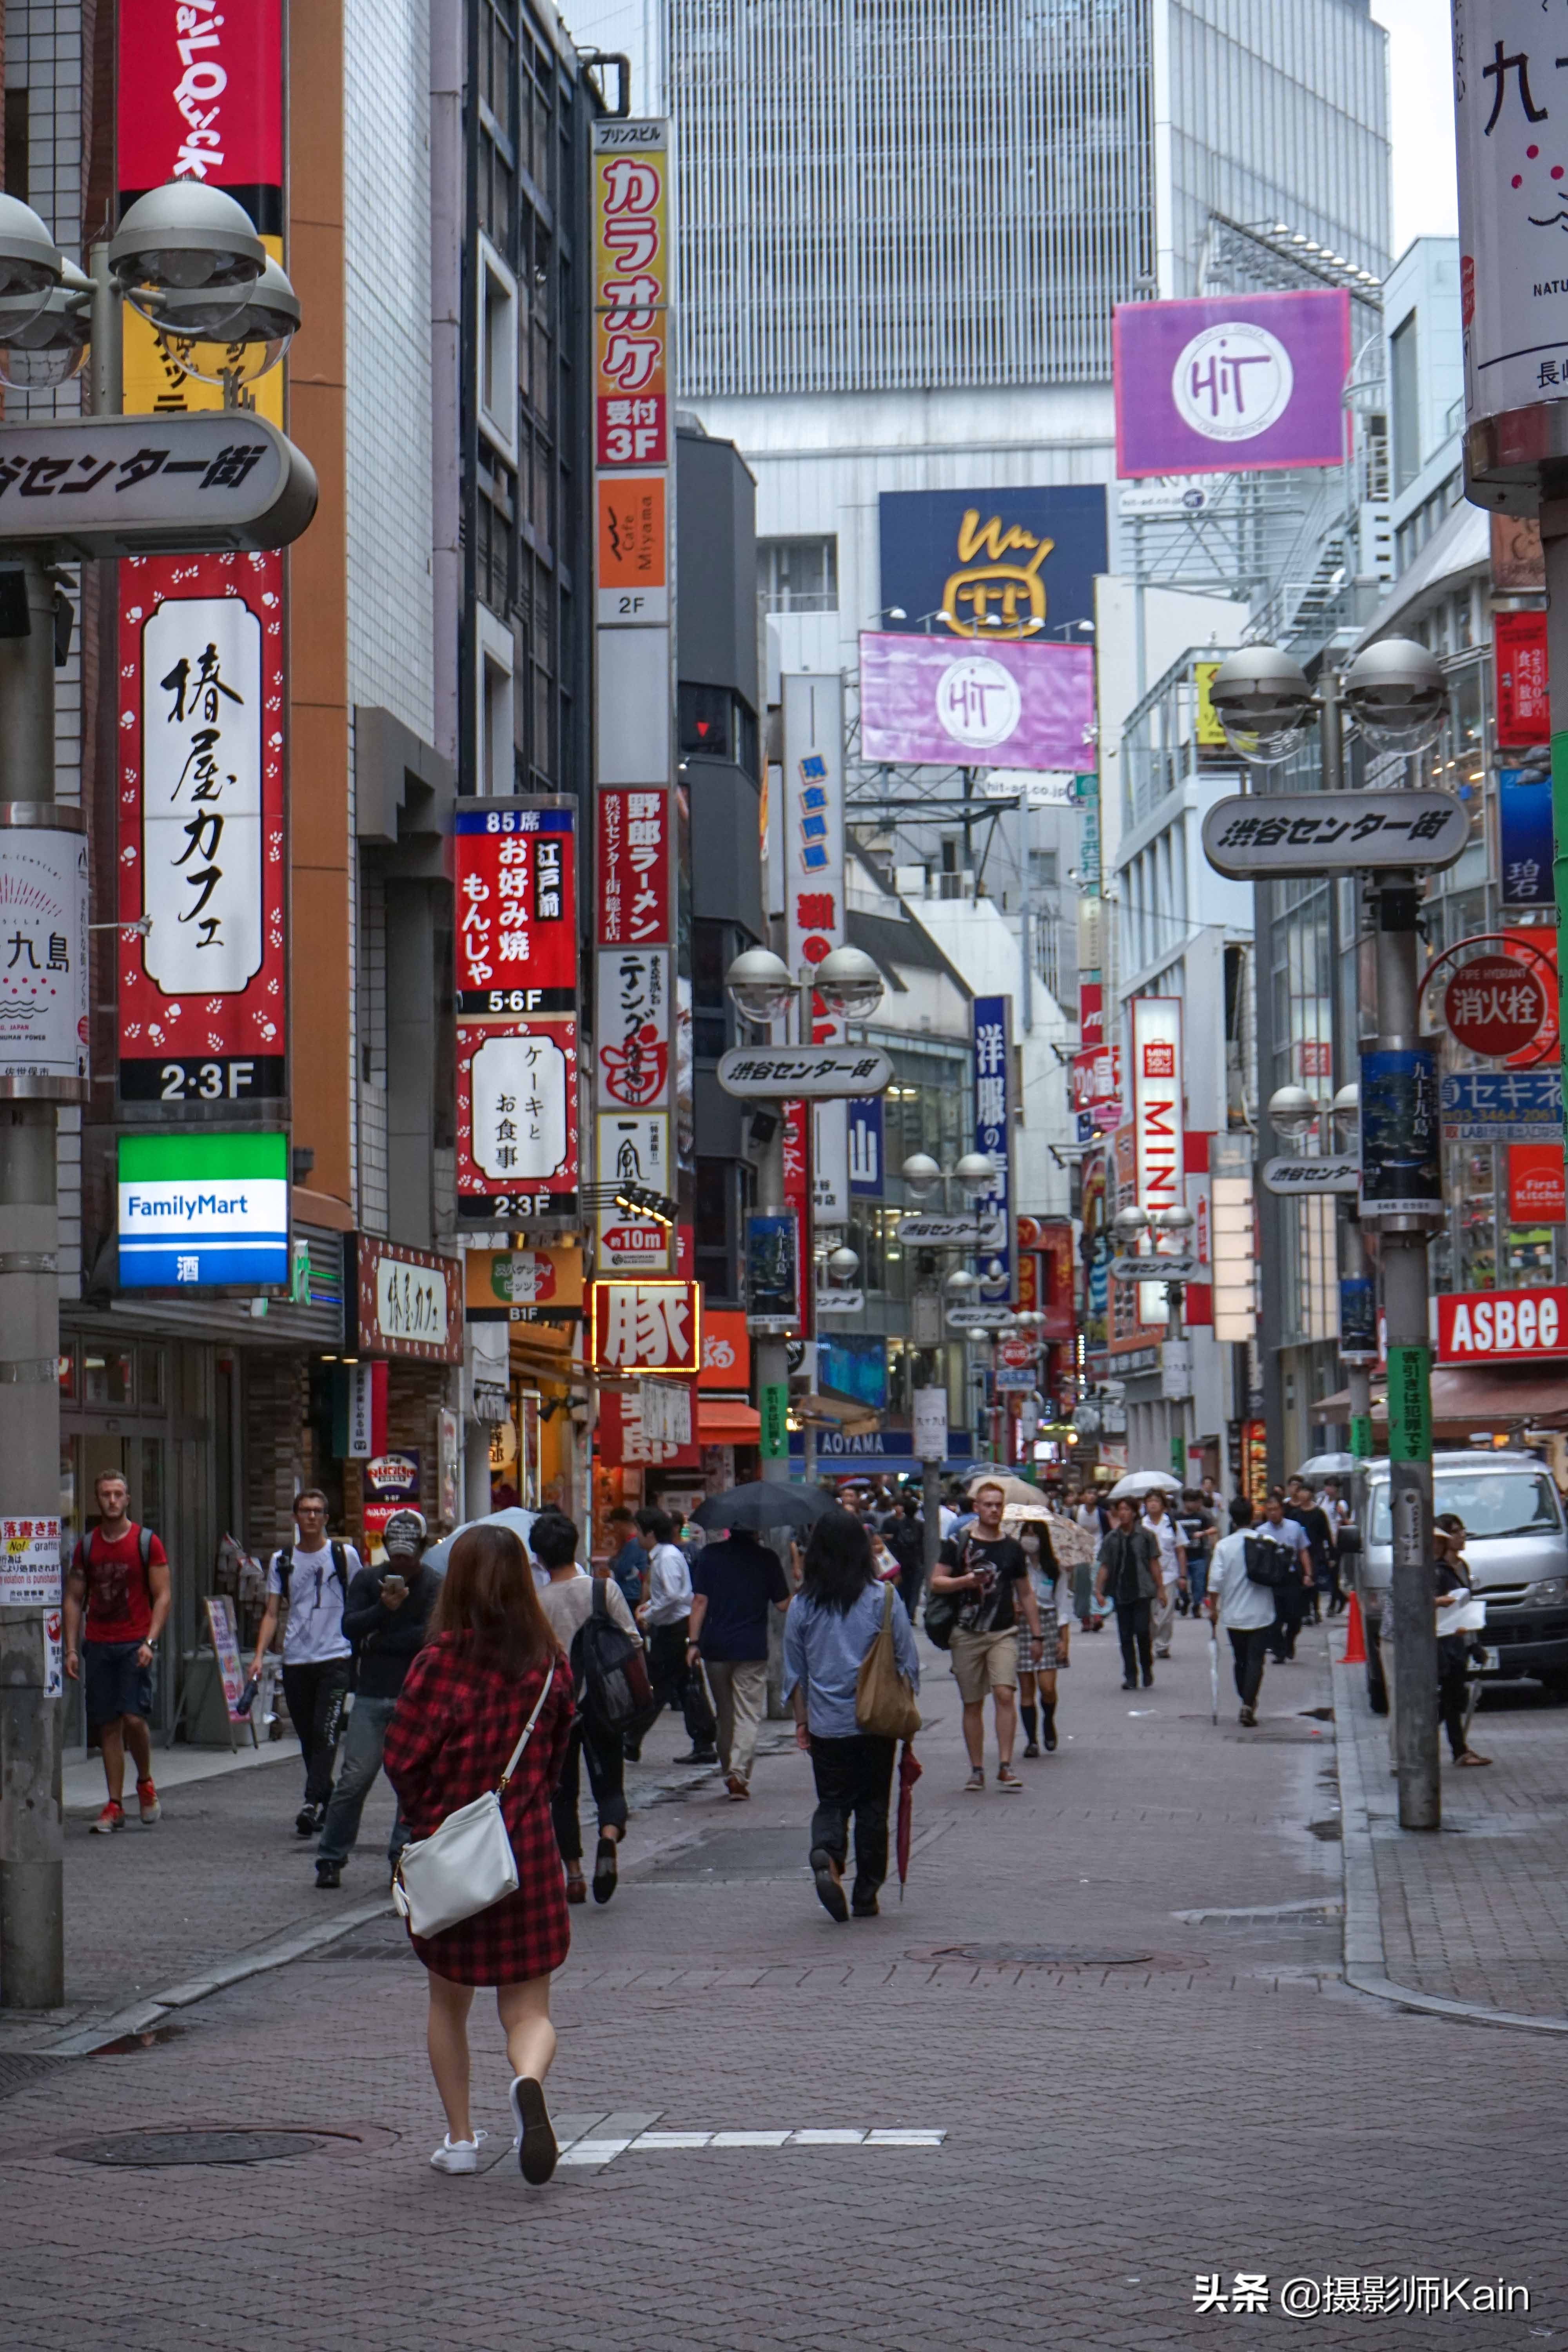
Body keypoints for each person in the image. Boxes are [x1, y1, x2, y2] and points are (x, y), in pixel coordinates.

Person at [383, 1522, 574, 2181]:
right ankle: (527, 2080)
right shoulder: (548, 1661)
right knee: (529, 2010)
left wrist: (428, 1816)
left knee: (448, 2001)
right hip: (526, 1854)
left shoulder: (438, 1663)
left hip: (455, 1856)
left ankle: (461, 2140)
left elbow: (402, 1758)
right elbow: (555, 1759)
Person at [782, 1508, 919, 1921]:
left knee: (833, 1801)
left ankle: (826, 1852)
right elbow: (907, 1662)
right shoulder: (884, 1598)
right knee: (873, 1806)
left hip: (828, 1724)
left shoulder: (803, 1605)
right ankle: (866, 1894)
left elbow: (794, 1672)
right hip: (876, 1722)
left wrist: (802, 1721)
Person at [315, 1508, 435, 1890]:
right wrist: (384, 1609)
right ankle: (331, 1857)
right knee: (355, 1778)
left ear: (422, 1549)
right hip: (371, 1692)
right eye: (396, 1554)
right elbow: (350, 1627)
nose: (402, 1561)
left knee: (410, 1784)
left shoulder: (434, 1585)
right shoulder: (369, 1580)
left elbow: (429, 1636)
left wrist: (378, 1640)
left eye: (409, 1554)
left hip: (414, 1695)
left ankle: (401, 1859)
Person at [534, 1510, 638, 1904]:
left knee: (563, 1792)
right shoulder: (602, 1590)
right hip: (604, 1702)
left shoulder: (537, 1602)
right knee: (610, 1783)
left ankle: (573, 1874)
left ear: (540, 1558)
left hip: (557, 1707)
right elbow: (632, 1641)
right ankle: (609, 1837)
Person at [63, 1468, 171, 1833]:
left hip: (134, 1642)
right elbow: (74, 1599)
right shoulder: (88, 1546)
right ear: (98, 1499)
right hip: (99, 1642)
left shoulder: (146, 1542)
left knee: (134, 1719)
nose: (112, 1500)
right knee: (108, 1724)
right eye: (105, 1494)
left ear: (127, 1499)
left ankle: (144, 1781)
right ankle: (114, 1804)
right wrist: (71, 1649)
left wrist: (150, 1642)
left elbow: (163, 1596)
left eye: (118, 1494)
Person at [251, 1490, 361, 1837]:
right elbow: (272, 1612)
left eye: (317, 1511)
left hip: (336, 1656)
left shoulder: (344, 1555)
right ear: (296, 1517)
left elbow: (360, 1597)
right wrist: (258, 1656)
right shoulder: (282, 1560)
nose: (311, 1517)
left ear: (327, 1518)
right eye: (305, 1511)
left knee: (326, 1732)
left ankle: (311, 1802)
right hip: (297, 1659)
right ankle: (327, 1798)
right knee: (308, 1737)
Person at [931, 1478, 1041, 1793]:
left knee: (1006, 1693)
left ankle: (1005, 1766)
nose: (994, 1510)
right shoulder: (958, 1544)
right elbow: (937, 1582)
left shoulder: (1012, 1548)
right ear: (976, 1508)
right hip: (966, 1633)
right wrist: (964, 1582)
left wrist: (1037, 1636)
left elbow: (1026, 1594)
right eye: (988, 1505)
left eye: (998, 1505)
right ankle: (977, 1768)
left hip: (1003, 1632)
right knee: (972, 1703)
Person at [688, 1523, 790, 1799]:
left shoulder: (709, 1555)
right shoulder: (767, 1558)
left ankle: (728, 1771)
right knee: (747, 1713)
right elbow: (783, 1605)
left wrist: (693, 1642)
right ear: (757, 1530)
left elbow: (699, 1601)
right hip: (751, 1648)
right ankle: (738, 1773)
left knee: (725, 1714)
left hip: (715, 1646)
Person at [634, 1507, 718, 1764]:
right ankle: (704, 1740)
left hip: (674, 1630)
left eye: (639, 1530)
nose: (636, 1535)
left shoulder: (666, 1558)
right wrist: (650, 1609)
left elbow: (672, 1597)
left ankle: (631, 1735)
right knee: (686, 1686)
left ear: (649, 1533)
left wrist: (647, 1615)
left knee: (658, 1685)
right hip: (674, 1627)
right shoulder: (664, 1556)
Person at [1205, 1495, 1274, 1726]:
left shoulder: (1224, 1546)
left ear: (1232, 1519)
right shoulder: (1266, 1541)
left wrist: (1213, 1608)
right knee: (1257, 1659)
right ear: (1252, 1516)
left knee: (1240, 1659)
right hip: (1262, 1612)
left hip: (1233, 1613)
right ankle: (1248, 1702)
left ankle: (1245, 1698)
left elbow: (1215, 1581)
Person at [1434, 1514, 1490, 1768]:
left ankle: (1457, 1749)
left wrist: (1473, 1644)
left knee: (1453, 1698)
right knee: (1451, 1698)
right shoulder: (1437, 1571)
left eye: (1463, 1531)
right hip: (1443, 1643)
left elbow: (1466, 1611)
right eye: (1455, 1532)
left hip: (1459, 1642)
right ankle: (1456, 1749)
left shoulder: (1461, 1567)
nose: (1462, 1536)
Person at [1094, 1497, 1160, 1691]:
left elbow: (1154, 1564)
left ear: (1134, 1513)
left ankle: (1146, 1667)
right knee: (1125, 1636)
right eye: (1120, 1510)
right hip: (1121, 1591)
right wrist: (1099, 1591)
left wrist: (1161, 1589)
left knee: (1142, 1631)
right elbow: (1104, 1566)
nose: (1123, 1513)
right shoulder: (1111, 1539)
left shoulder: (1146, 1536)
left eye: (1126, 1509)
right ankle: (1130, 1675)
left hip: (1142, 1591)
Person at [1015, 1515, 1066, 1756]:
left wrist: (1064, 1640)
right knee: (1026, 1689)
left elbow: (1062, 1607)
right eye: (1027, 1534)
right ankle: (1032, 1740)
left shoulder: (1055, 1569)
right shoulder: (1015, 1568)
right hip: (1021, 1626)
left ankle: (1049, 1722)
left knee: (1047, 1687)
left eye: (1035, 1535)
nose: (1030, 1540)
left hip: (1047, 1624)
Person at [1256, 1492, 1312, 1664]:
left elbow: (1303, 1551)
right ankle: (1280, 1651)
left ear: (1282, 1510)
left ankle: (1290, 1641)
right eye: (1270, 1510)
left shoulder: (1295, 1527)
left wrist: (1308, 1574)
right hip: (1272, 1579)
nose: (1273, 1513)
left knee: (1295, 1616)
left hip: (1291, 1576)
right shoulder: (1261, 1531)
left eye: (1276, 1509)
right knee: (1274, 1618)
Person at [1142, 1489, 1187, 1659]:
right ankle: (1149, 1640)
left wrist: (1183, 1575)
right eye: (1150, 1501)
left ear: (1163, 1505)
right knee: (1150, 1614)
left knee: (1166, 1614)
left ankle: (1163, 1645)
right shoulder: (1142, 1525)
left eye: (1157, 1501)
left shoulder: (1172, 1525)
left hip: (1169, 1574)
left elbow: (1181, 1551)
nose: (1153, 1504)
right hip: (1147, 1577)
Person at [1288, 1477, 1338, 1624]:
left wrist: (1331, 1555)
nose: (1303, 1495)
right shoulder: (1295, 1514)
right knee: (1301, 1580)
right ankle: (1304, 1612)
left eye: (1306, 1491)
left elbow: (1327, 1535)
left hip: (1315, 1551)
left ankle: (1315, 1610)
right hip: (1299, 1552)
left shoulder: (1318, 1513)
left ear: (1311, 1494)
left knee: (1313, 1581)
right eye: (1301, 1491)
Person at [1176, 1489, 1216, 1613]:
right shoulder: (1177, 1517)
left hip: (1198, 1555)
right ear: (1184, 1502)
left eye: (1194, 1502)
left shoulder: (1202, 1516)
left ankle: (1197, 1605)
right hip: (1182, 1556)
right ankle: (1185, 1600)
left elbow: (1214, 1529)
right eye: (1189, 1502)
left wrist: (1202, 1533)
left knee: (1199, 1583)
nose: (1192, 1505)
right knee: (1181, 1582)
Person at [605, 1505, 648, 1617]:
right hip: (630, 1593)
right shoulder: (630, 1543)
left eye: (614, 1525)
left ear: (619, 1524)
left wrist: (615, 1559)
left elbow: (621, 1568)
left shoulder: (634, 1543)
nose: (614, 1529)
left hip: (631, 1595)